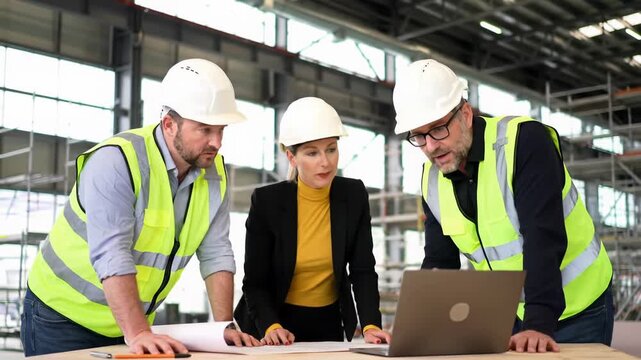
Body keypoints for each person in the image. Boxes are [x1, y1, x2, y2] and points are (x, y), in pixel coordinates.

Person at [21, 58, 260, 356]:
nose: (217, 142)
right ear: (170, 124)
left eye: (222, 130)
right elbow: (112, 253)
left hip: (129, 322)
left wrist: (223, 327)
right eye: (205, 129)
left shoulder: (215, 174)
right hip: (61, 318)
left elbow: (216, 254)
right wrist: (137, 332)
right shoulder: (117, 161)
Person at [393, 59, 613, 353]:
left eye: (438, 129)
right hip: (512, 314)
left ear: (466, 114)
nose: (431, 146)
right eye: (419, 136)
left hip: (580, 306)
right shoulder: (432, 180)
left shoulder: (523, 142)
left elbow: (542, 238)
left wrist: (538, 323)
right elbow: (439, 263)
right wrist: (414, 326)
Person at [233, 97, 391, 345]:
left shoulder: (353, 195)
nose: (325, 162)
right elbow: (255, 283)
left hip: (327, 321)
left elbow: (362, 270)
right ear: (291, 157)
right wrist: (271, 326)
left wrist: (371, 325)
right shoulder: (267, 203)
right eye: (312, 152)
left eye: (331, 149)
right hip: (272, 323)